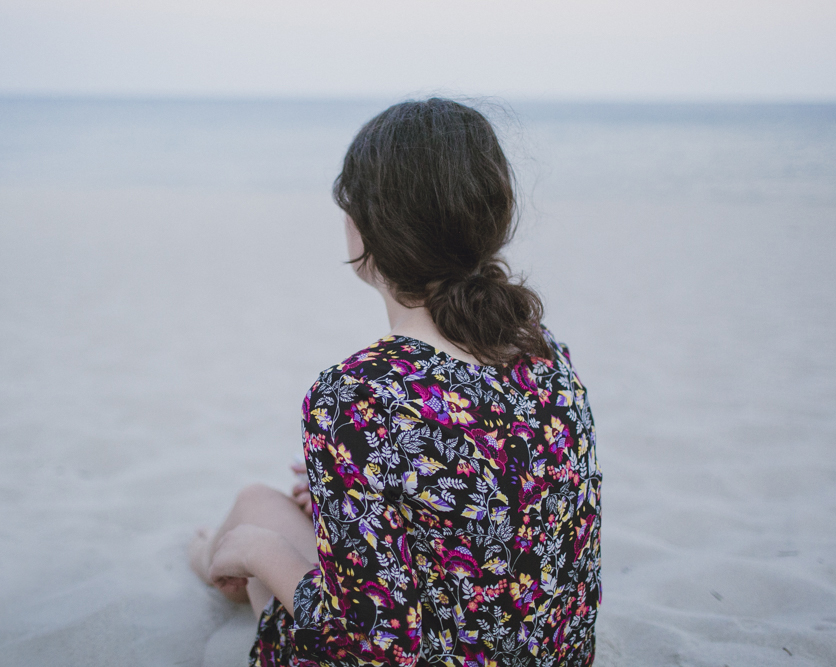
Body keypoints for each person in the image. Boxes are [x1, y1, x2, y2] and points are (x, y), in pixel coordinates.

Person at [189, 98, 602, 666]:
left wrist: (263, 554)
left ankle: (211, 555)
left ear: (366, 225)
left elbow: (371, 646)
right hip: (550, 654)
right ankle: (214, 550)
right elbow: (504, 506)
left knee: (255, 508)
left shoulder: (358, 396)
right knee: (287, 513)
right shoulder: (542, 351)